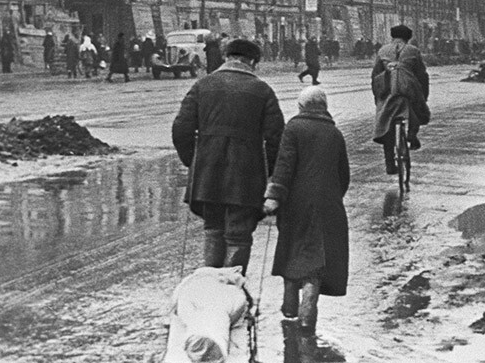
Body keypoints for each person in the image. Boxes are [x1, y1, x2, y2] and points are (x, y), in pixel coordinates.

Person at [172, 38, 285, 274]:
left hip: (207, 173)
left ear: (226, 58)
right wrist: (268, 172)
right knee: (239, 234)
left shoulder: (203, 85)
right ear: (252, 61)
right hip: (246, 175)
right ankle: (232, 287)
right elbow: (276, 138)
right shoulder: (262, 90)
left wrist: (194, 161)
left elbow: (181, 129)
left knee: (213, 228)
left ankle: (211, 288)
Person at [263, 86, 350, 333]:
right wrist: (332, 198)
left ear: (301, 107)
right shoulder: (335, 133)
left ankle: (290, 308)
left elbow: (284, 167)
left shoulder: (294, 128)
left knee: (293, 251)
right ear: (324, 107)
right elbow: (343, 175)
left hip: (295, 204)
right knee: (315, 261)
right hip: (328, 205)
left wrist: (274, 197)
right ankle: (307, 313)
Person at [371, 24, 431, 175]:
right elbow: (422, 75)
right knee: (417, 108)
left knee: (386, 125)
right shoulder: (413, 51)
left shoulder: (383, 50)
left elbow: (375, 75)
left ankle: (390, 164)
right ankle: (412, 134)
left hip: (387, 93)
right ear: (408, 37)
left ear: (392, 36)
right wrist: (423, 95)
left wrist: (378, 96)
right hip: (408, 91)